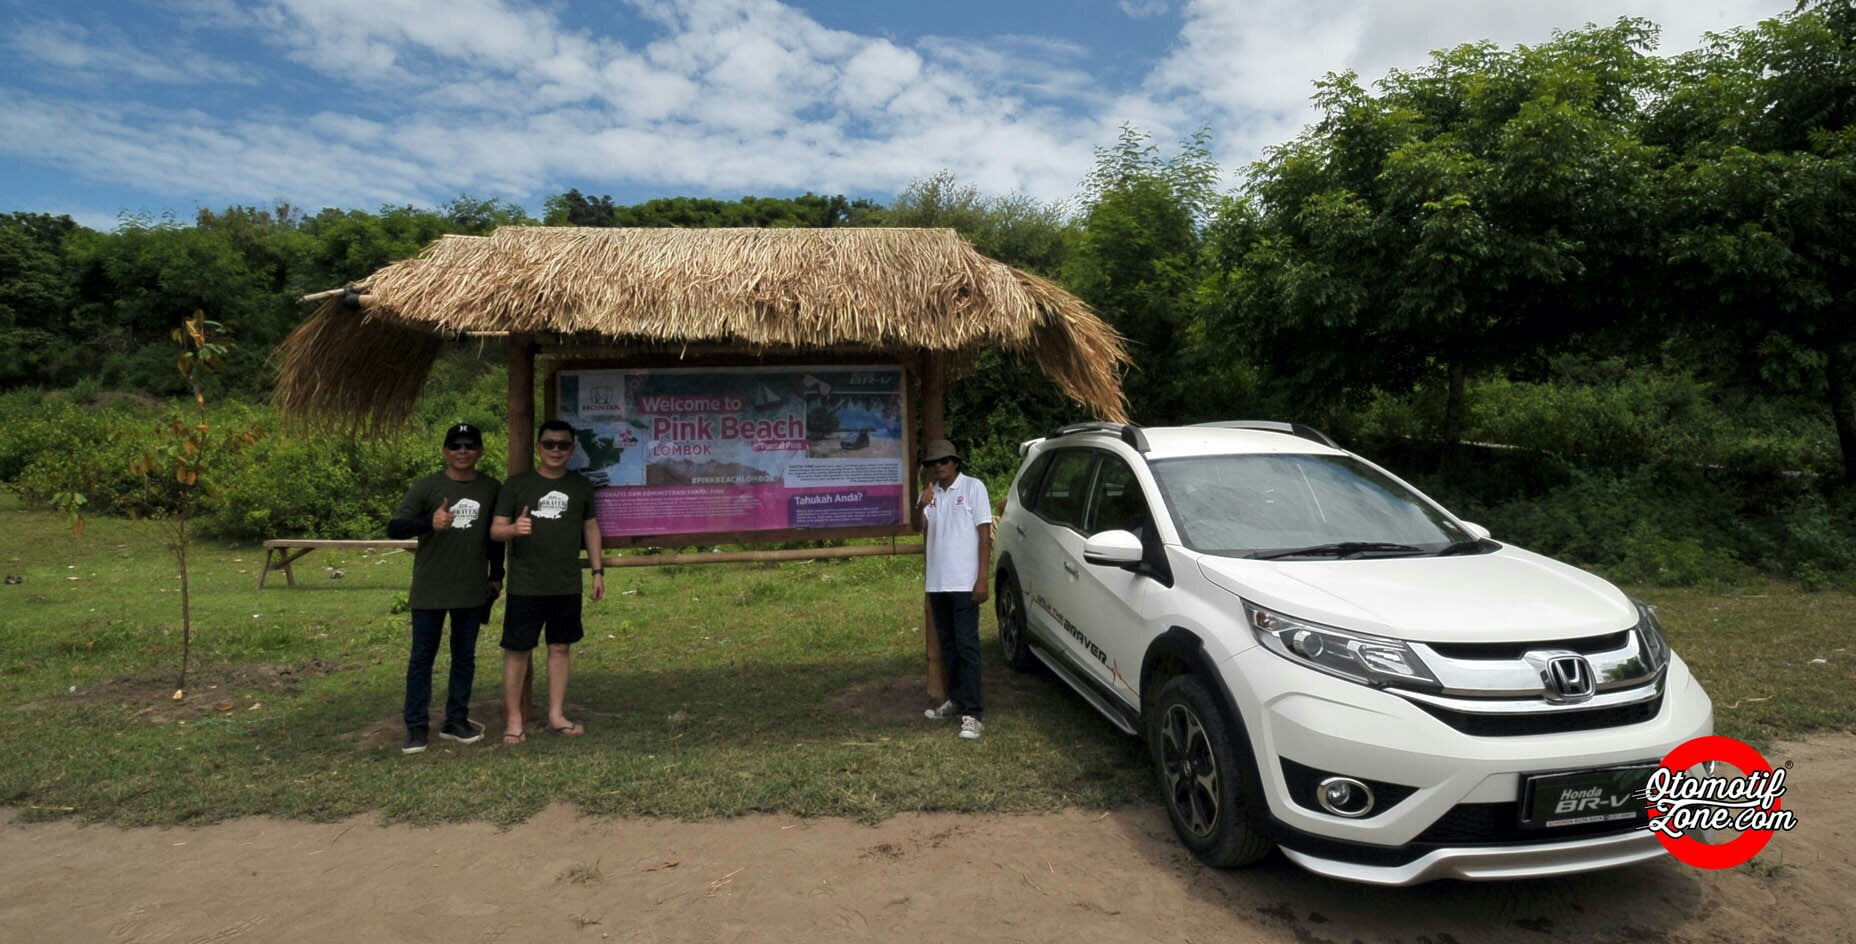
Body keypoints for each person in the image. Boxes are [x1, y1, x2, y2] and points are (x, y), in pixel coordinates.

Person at [387, 422, 503, 755]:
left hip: (471, 587)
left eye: (469, 445)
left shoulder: (491, 488)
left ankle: (456, 720)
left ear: (480, 451)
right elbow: (395, 527)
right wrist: (428, 523)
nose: (463, 451)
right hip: (430, 588)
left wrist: (497, 575)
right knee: (422, 657)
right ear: (445, 452)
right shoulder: (427, 488)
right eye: (455, 446)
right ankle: (416, 727)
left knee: (464, 657)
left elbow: (494, 537)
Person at [491, 419, 604, 745]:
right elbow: (496, 529)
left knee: (560, 647)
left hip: (566, 582)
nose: (556, 450)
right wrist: (513, 530)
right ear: (539, 447)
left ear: (572, 449)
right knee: (517, 650)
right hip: (526, 584)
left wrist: (597, 571)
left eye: (563, 445)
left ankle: (556, 714)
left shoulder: (581, 486)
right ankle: (514, 719)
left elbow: (591, 528)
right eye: (550, 444)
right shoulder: (515, 485)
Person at [916, 438, 993, 740]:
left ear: (955, 462)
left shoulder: (974, 488)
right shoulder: (929, 494)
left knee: (967, 646)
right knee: (948, 645)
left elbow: (984, 534)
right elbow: (917, 527)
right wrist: (922, 503)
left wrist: (982, 578)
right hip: (937, 582)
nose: (938, 466)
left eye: (944, 461)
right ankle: (957, 699)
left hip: (965, 582)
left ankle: (974, 713)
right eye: (933, 463)